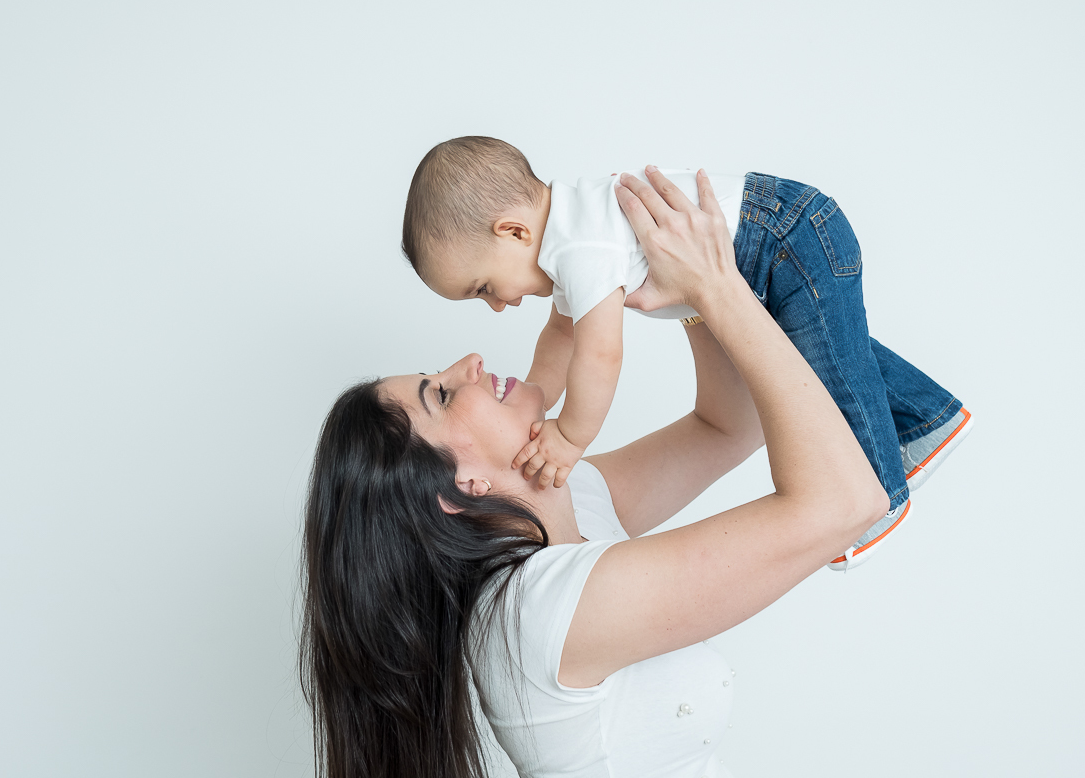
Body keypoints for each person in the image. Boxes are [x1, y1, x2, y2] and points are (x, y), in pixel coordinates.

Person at [300, 170, 923, 778]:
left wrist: (682, 293)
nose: (469, 360)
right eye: (439, 394)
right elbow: (847, 503)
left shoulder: (565, 504)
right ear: (460, 488)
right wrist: (718, 287)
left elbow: (724, 428)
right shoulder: (539, 610)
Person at [401, 137, 971, 569]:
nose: (498, 306)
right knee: (827, 353)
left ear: (514, 232)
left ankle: (880, 496)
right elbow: (562, 337)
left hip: (779, 238)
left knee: (832, 373)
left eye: (482, 288)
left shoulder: (580, 248)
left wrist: (571, 436)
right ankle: (927, 418)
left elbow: (600, 355)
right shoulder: (571, 235)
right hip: (783, 232)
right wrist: (539, 400)